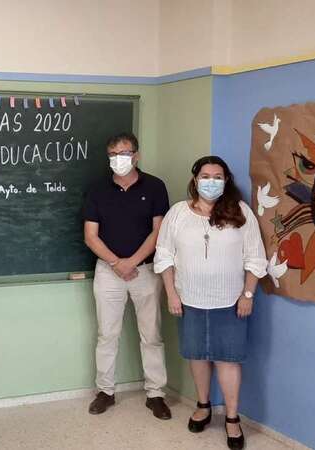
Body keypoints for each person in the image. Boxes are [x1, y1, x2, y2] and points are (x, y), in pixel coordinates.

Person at [154, 155, 267, 450]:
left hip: (230, 302)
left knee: (228, 359)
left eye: (218, 176)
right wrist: (172, 293)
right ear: (195, 180)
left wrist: (248, 294)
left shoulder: (241, 213)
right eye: (205, 175)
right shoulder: (177, 213)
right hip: (189, 300)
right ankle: (203, 406)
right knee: (198, 355)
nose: (211, 181)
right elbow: (164, 256)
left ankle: (231, 418)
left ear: (226, 180)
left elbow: (255, 258)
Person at [82, 132, 172, 419]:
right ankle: (105, 391)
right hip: (108, 272)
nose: (118, 160)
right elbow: (90, 236)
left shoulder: (156, 187)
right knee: (106, 334)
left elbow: (159, 231)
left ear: (136, 155)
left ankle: (155, 394)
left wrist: (132, 261)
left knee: (152, 334)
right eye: (112, 155)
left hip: (145, 271)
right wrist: (116, 263)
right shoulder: (97, 189)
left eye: (123, 154)